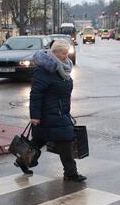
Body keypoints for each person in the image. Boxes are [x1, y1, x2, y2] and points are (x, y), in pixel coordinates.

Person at [15, 40, 85, 182]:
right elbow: (35, 94)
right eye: (64, 53)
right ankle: (71, 173)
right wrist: (34, 116)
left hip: (59, 112)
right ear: (55, 53)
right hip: (48, 114)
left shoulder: (64, 68)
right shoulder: (44, 70)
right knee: (65, 140)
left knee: (39, 140)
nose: (67, 56)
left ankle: (22, 161)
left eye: (67, 53)